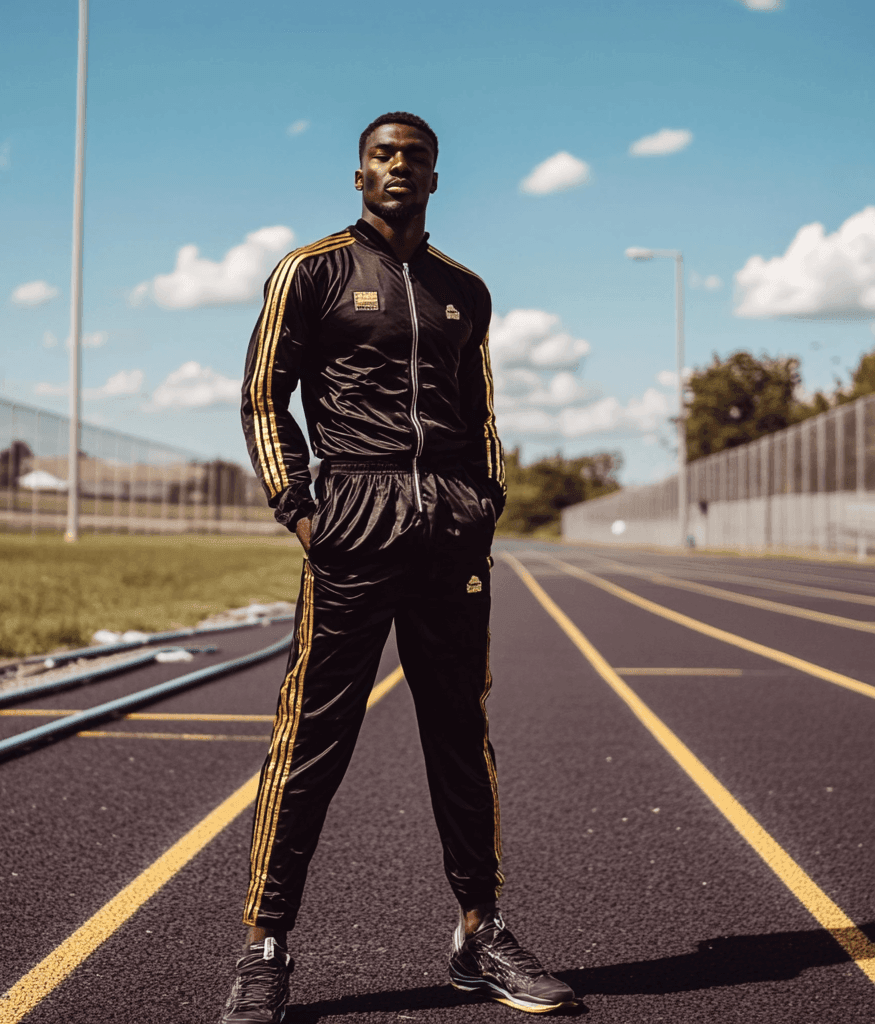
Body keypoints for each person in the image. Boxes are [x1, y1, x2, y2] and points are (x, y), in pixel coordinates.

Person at [222, 112, 577, 1021]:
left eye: (415, 157)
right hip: (353, 528)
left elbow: (481, 413)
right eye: (383, 155)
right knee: (312, 739)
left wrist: (481, 505)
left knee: (460, 735)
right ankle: (266, 944)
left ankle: (480, 933)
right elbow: (265, 395)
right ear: (358, 175)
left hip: (449, 538)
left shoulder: (466, 289)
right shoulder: (313, 271)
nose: (399, 167)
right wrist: (300, 507)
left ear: (434, 176)